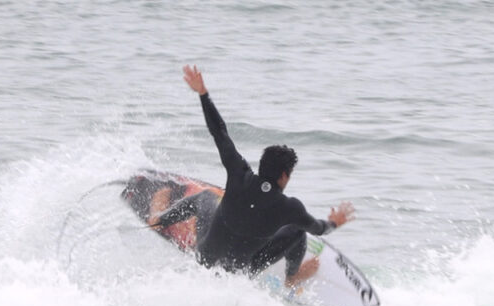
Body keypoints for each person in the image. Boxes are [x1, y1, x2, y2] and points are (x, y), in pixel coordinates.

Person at [152, 65, 355, 282]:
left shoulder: (239, 174)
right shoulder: (290, 207)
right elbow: (318, 228)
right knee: (297, 231)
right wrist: (334, 222)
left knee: (205, 197)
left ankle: (159, 220)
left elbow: (219, 132)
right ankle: (292, 277)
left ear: (261, 165)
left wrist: (203, 93)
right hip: (241, 272)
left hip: (205, 259)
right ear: (284, 176)